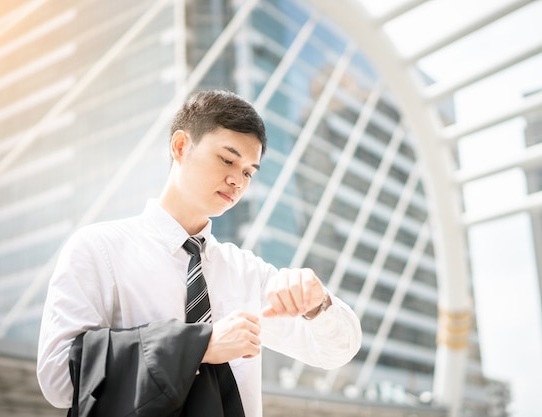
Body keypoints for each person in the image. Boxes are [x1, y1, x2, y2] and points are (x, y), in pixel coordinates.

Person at [37, 89, 362, 417]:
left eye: (249, 171)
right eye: (227, 159)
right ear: (181, 146)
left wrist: (318, 304)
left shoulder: (247, 271)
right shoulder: (99, 249)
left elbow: (336, 351)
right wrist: (197, 346)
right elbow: (59, 379)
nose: (237, 180)